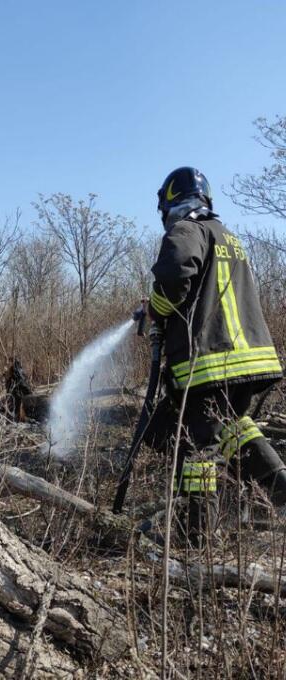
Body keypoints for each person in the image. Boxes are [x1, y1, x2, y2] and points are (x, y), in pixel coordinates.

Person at [144, 166, 286, 541]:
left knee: (198, 449)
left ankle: (196, 537)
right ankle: (280, 485)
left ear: (170, 202)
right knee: (234, 427)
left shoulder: (186, 230)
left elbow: (175, 279)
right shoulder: (227, 237)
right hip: (246, 362)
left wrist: (154, 309)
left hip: (209, 365)